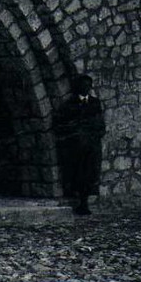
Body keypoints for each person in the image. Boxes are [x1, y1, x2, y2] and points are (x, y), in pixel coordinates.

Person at [54, 73, 106, 215]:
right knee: (79, 174)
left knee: (90, 173)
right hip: (77, 148)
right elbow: (61, 125)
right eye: (83, 86)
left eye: (88, 86)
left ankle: (85, 202)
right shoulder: (69, 105)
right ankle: (80, 202)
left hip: (91, 146)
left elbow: (100, 124)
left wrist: (94, 135)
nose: (86, 89)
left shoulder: (95, 103)